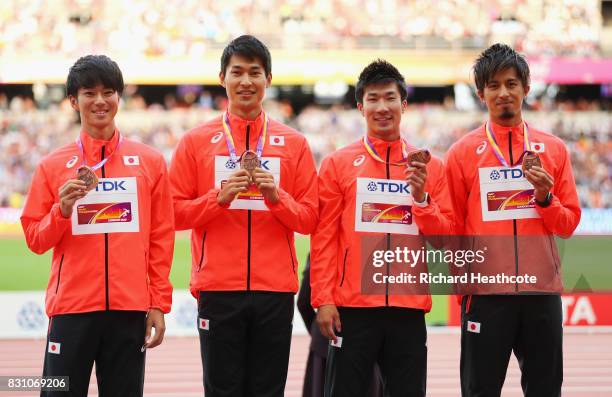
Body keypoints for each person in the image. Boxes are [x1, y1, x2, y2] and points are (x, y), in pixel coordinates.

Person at [169, 35, 318, 396]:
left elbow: (310, 219)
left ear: (268, 78)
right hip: (218, 290)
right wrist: (217, 198)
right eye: (237, 72)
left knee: (268, 390)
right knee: (221, 390)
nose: (246, 81)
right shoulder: (196, 142)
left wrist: (276, 197)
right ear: (223, 78)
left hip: (274, 292)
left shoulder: (294, 144)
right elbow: (173, 213)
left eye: (255, 72)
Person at [20, 55, 174, 397]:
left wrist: (158, 303)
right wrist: (61, 210)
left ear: (120, 97)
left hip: (128, 309)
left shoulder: (149, 162)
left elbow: (161, 237)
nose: (100, 101)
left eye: (109, 92)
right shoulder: (52, 166)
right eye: (89, 93)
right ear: (74, 101)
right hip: (72, 309)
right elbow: (34, 238)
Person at [310, 59, 453, 397]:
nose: (382, 107)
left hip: (408, 309)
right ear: (360, 107)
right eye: (373, 99)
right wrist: (324, 299)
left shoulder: (430, 166)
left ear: (404, 105)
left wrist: (421, 200)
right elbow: (325, 237)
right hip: (352, 310)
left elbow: (446, 239)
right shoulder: (337, 164)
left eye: (390, 98)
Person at [445, 43, 581, 396]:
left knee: (545, 389)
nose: (503, 93)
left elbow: (567, 224)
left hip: (541, 294)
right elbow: (453, 230)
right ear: (481, 93)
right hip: (487, 295)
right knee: (480, 389)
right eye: (494, 86)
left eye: (511, 83)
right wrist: (466, 288)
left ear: (526, 87)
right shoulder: (461, 154)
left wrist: (544, 199)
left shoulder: (553, 150)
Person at [298, 254, 383, 397]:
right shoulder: (371, 250)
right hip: (367, 342)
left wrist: (320, 332)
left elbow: (303, 302)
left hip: (326, 344)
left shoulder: (321, 251)